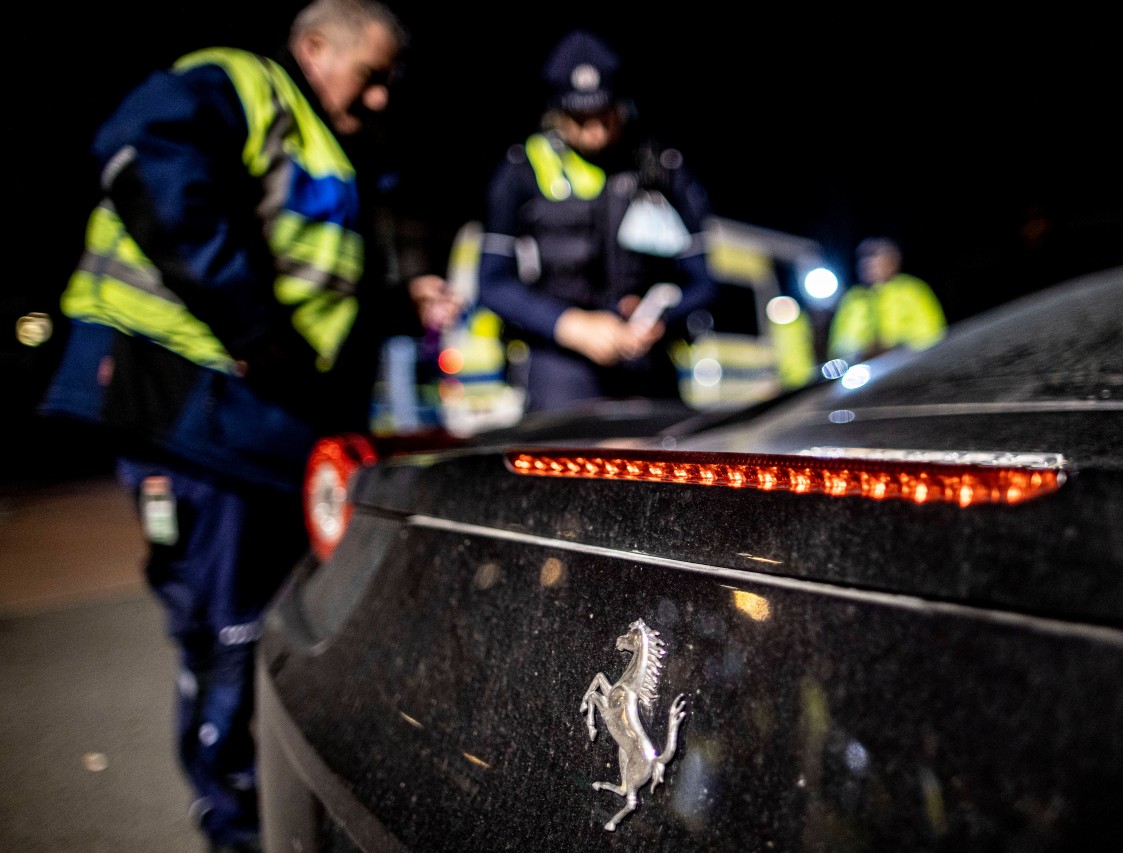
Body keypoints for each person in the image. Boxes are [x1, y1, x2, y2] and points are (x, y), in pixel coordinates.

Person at [38, 2, 459, 850]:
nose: (379, 99)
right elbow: (143, 155)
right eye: (369, 75)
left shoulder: (332, 147)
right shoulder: (244, 84)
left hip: (255, 433)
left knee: (269, 627)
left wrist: (393, 303)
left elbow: (311, 287)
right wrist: (254, 331)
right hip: (194, 410)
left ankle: (261, 813)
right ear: (313, 48)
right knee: (227, 635)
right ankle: (236, 826)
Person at [475, 29, 719, 414]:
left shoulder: (661, 167)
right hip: (559, 367)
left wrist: (661, 316)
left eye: (606, 114)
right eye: (580, 118)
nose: (597, 131)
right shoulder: (521, 170)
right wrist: (571, 325)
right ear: (556, 112)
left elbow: (703, 281)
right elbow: (490, 283)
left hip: (647, 365)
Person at [826, 236, 947, 362]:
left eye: (874, 257)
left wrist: (894, 345)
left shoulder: (912, 289)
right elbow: (837, 347)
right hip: (865, 370)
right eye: (863, 258)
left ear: (892, 262)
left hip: (909, 364)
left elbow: (932, 332)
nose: (867, 264)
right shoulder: (852, 298)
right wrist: (860, 351)